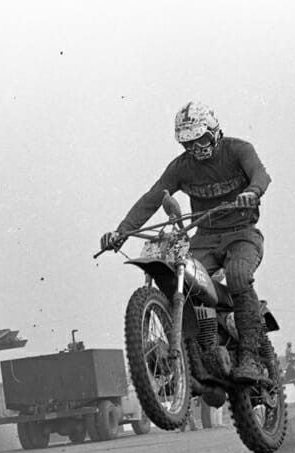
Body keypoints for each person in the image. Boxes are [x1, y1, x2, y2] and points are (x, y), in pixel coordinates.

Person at [100, 101, 273, 383]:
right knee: (179, 280)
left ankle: (251, 357)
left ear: (214, 131)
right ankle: (194, 359)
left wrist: (253, 191)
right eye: (188, 143)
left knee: (238, 276)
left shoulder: (238, 149)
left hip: (242, 233)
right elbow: (152, 198)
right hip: (204, 238)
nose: (196, 148)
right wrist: (122, 232)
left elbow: (261, 174)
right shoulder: (181, 167)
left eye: (201, 139)